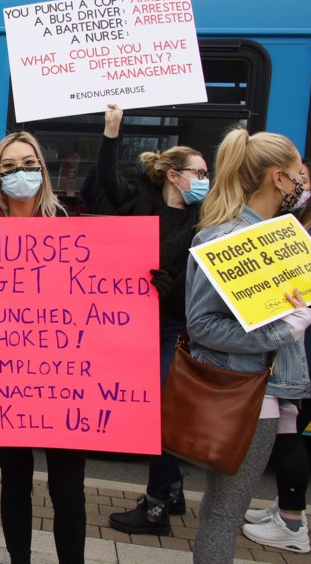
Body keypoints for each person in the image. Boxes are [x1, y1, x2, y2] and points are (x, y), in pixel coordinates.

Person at [0, 131, 86, 564]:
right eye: (8, 167)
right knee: (15, 481)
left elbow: (98, 301)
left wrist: (145, 288)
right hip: (10, 380)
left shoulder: (69, 226)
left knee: (68, 486)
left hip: (67, 380)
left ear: (42, 171)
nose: (19, 173)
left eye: (28, 163)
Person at [184, 128, 311, 564]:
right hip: (247, 397)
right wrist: (284, 331)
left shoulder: (280, 234)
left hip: (266, 394)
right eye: (299, 175)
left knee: (223, 512)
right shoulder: (226, 238)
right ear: (279, 178)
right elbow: (202, 325)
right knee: (223, 514)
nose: (303, 184)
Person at [100, 104, 208, 535]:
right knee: (150, 412)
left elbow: (201, 282)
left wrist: (171, 289)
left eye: (205, 174)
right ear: (173, 174)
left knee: (159, 415)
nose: (204, 180)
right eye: (197, 173)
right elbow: (107, 180)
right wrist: (111, 132)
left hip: (173, 331)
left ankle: (157, 508)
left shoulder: (205, 218)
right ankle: (174, 490)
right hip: (133, 326)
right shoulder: (140, 202)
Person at [241, 158, 311, 554]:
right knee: (291, 431)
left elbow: (307, 296)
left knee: (289, 433)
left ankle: (292, 523)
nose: (297, 188)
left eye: (304, 181)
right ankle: (284, 507)